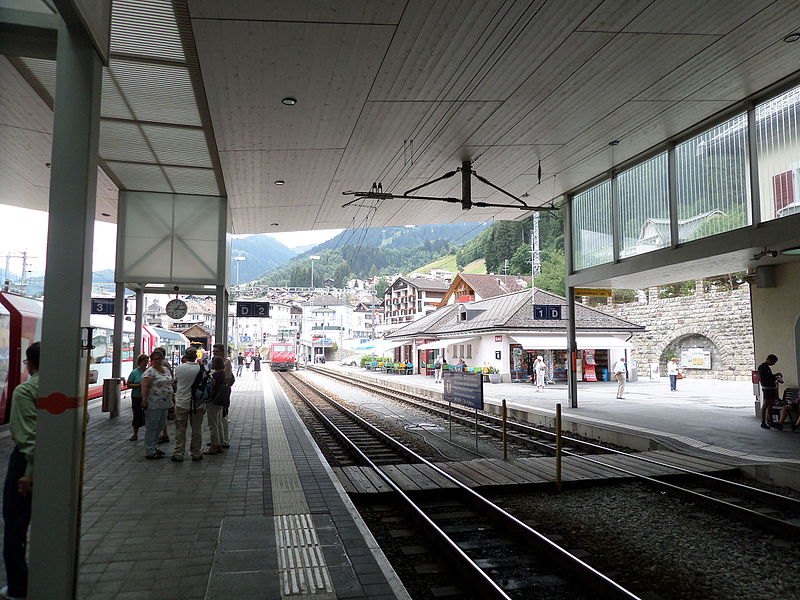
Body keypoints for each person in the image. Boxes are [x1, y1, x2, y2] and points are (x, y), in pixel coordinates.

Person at [2, 342, 39, 600]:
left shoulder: (25, 390)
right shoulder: (65, 386)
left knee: (14, 526)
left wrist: (29, 471)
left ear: (30, 362)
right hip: (55, 462)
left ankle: (18, 588)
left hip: (26, 463)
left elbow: (29, 438)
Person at [173, 347, 204, 462]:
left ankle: (179, 453)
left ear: (185, 356)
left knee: (180, 429)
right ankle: (196, 453)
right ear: (196, 356)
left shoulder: (179, 368)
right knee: (196, 429)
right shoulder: (202, 368)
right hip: (197, 404)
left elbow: (176, 381)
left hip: (182, 403)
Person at [140, 349, 173, 460]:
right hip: (153, 403)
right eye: (155, 359)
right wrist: (144, 400)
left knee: (160, 426)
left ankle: (154, 447)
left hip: (165, 403)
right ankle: (150, 450)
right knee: (152, 427)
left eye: (159, 359)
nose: (157, 361)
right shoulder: (149, 372)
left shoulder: (166, 370)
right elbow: (145, 386)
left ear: (163, 359)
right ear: (151, 360)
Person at [211, 344, 234, 449]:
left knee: (223, 415)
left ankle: (225, 439)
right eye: (213, 351)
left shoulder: (227, 362)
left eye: (216, 351)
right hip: (216, 391)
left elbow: (228, 378)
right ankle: (218, 439)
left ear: (222, 352)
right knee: (217, 417)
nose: (214, 352)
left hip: (223, 390)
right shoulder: (213, 360)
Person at [204, 356, 227, 455]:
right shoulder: (224, 374)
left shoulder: (214, 376)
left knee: (212, 424)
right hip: (221, 401)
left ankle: (214, 446)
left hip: (213, 402)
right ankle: (220, 443)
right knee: (218, 422)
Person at [126, 354, 149, 441]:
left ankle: (148, 433)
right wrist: (139, 385)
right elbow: (129, 384)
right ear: (140, 362)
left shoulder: (149, 371)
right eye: (144, 361)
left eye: (147, 361)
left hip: (147, 396)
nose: (146, 363)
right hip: (137, 396)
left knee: (148, 415)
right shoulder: (134, 372)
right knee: (136, 415)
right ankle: (135, 433)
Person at [758, 354, 782, 430]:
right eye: (774, 362)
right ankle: (763, 422)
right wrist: (775, 377)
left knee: (770, 405)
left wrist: (775, 376)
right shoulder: (762, 368)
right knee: (766, 405)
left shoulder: (767, 367)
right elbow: (765, 378)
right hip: (767, 388)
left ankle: (770, 420)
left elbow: (769, 377)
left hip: (771, 388)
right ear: (769, 360)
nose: (774, 364)